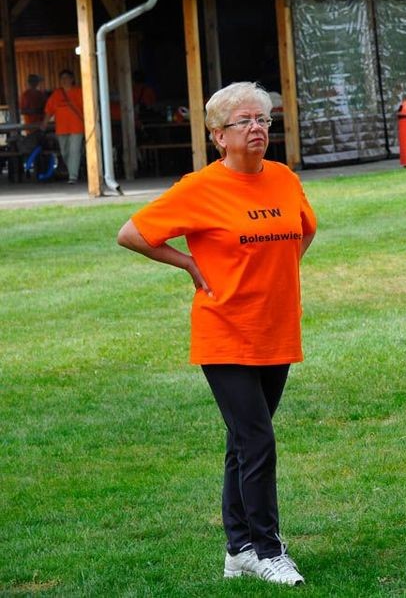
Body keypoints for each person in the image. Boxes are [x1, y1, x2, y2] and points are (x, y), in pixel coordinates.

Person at [116, 82, 316, 586]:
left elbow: (305, 229)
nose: (257, 128)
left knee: (243, 443)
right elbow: (132, 233)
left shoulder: (284, 179)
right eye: (244, 121)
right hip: (225, 331)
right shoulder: (200, 188)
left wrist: (272, 273)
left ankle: (238, 550)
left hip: (275, 329)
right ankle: (268, 550)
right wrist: (187, 262)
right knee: (257, 440)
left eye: (264, 119)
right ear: (218, 135)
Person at [43, 69, 85, 183]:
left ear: (72, 79)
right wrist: (44, 123)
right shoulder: (57, 94)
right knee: (65, 152)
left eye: (67, 77)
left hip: (77, 127)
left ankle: (73, 176)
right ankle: (74, 170)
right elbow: (49, 110)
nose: (64, 80)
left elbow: (88, 107)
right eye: (62, 78)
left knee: (74, 151)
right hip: (61, 128)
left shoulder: (79, 92)